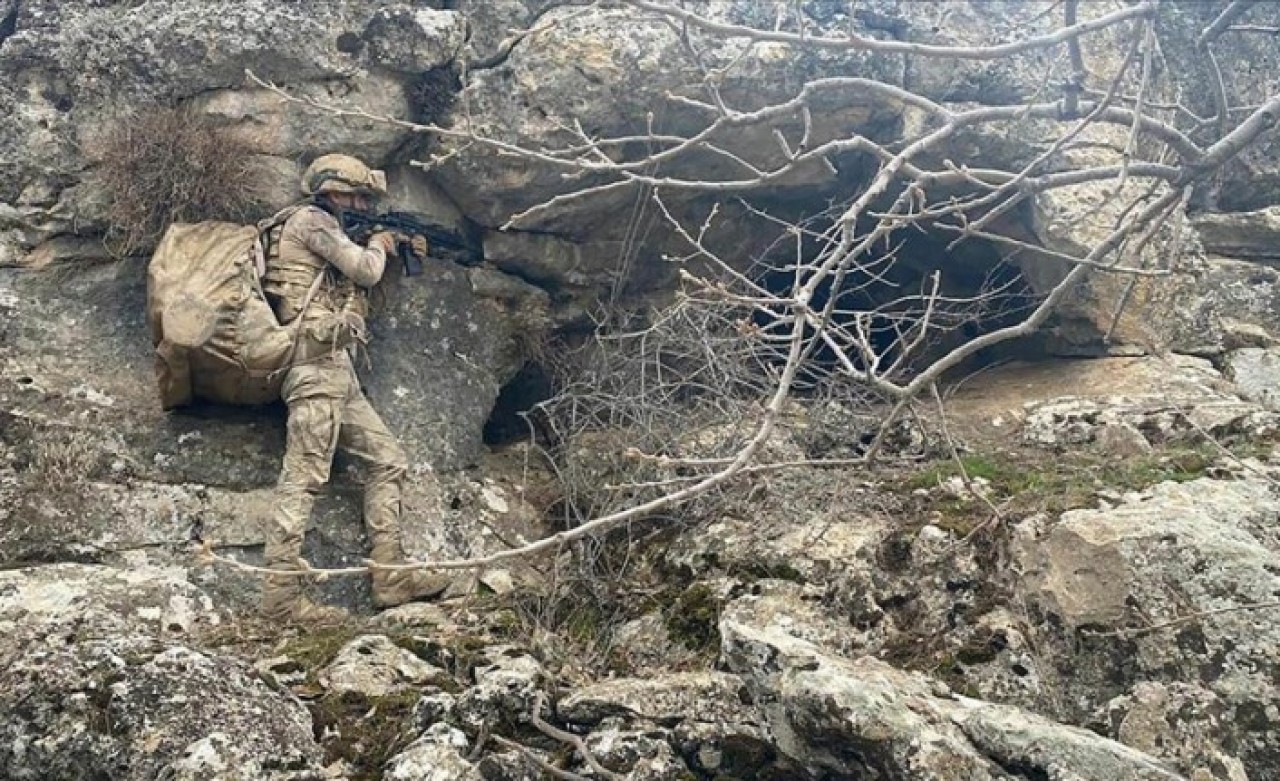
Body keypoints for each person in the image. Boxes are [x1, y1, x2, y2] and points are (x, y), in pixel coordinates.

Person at [258, 152, 449, 622]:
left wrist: (397, 259)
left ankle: (391, 578)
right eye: (357, 194)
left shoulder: (333, 234)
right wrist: (382, 245)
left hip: (337, 368)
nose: (361, 203)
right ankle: (281, 598)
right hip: (312, 366)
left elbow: (363, 298)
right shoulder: (309, 221)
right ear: (331, 189)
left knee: (388, 462)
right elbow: (364, 269)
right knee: (304, 477)